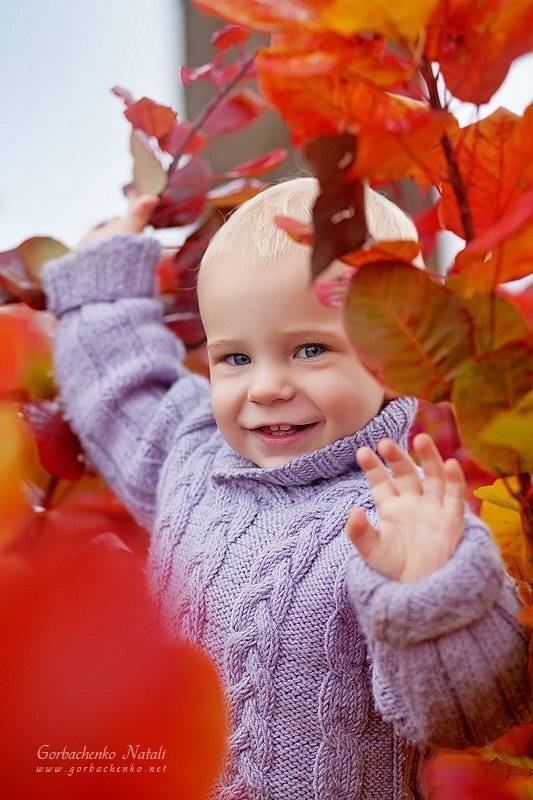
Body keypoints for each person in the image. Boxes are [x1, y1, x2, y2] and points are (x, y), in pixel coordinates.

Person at [42, 176, 532, 799]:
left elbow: (473, 711)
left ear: (394, 358)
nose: (266, 387)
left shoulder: (402, 520)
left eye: (309, 349)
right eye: (235, 358)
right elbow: (121, 389)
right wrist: (103, 279)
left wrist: (431, 589)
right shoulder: (194, 458)